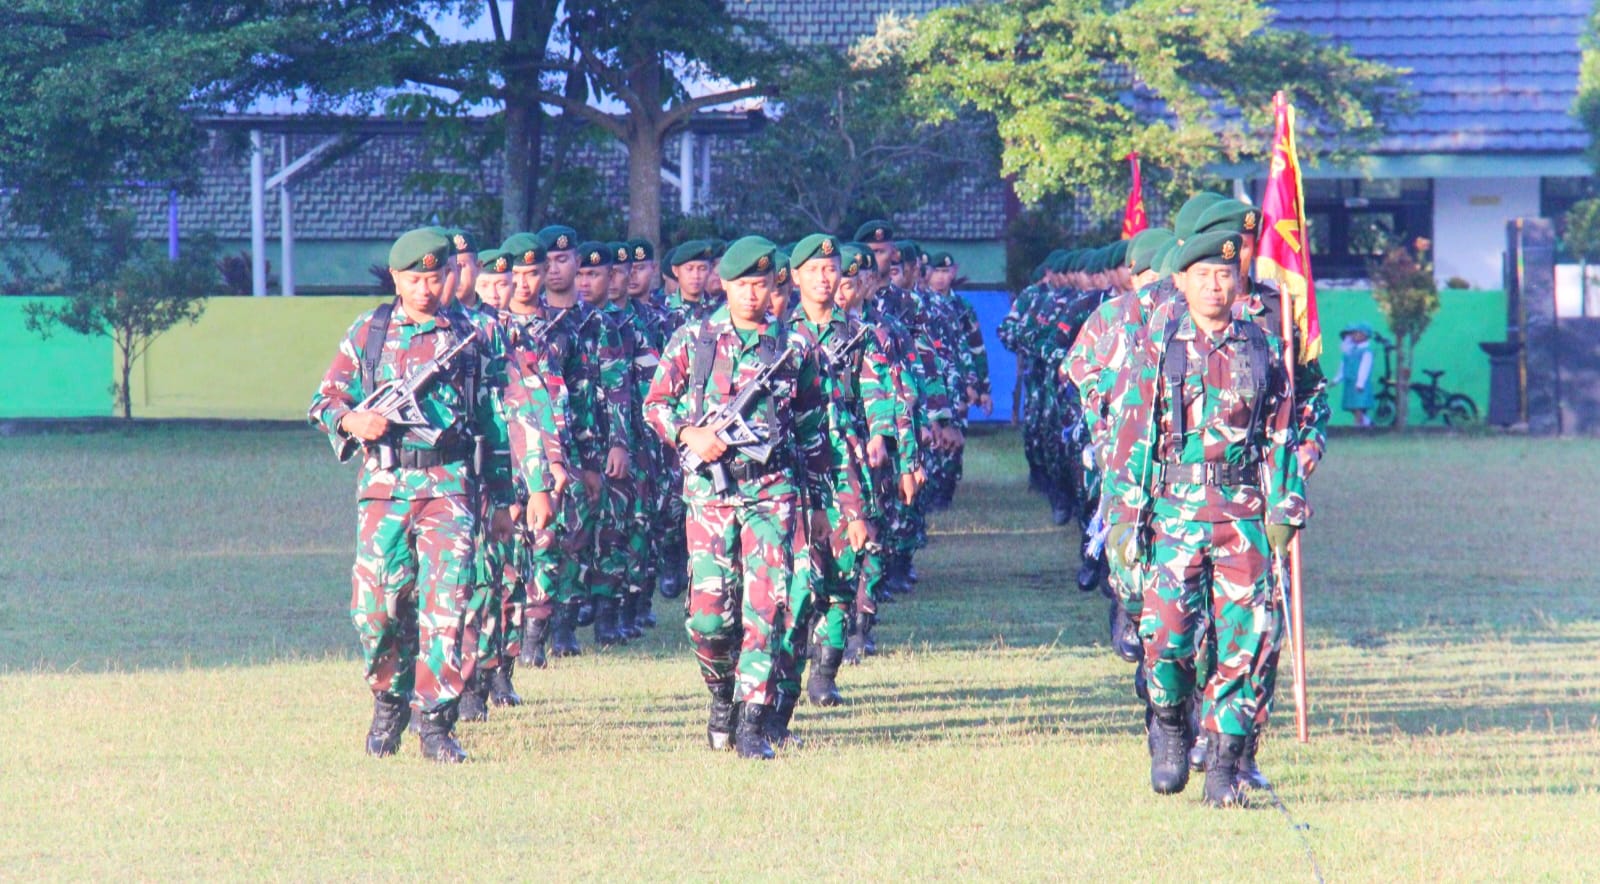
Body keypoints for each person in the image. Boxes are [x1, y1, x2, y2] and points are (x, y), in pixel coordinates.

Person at [308, 227, 555, 763]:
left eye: (435, 277)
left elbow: (503, 415)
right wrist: (353, 420)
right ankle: (388, 699)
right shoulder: (370, 332)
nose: (426, 288)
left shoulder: (476, 334)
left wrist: (513, 495)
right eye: (414, 279)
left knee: (448, 608)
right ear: (396, 279)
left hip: (450, 487)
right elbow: (324, 400)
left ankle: (436, 724)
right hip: (385, 489)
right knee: (376, 610)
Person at [643, 235, 868, 760]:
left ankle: (751, 722)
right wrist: (689, 433)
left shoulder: (795, 349)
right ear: (723, 285)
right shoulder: (693, 341)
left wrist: (822, 507)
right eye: (742, 284)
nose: (751, 294)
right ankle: (722, 693)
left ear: (773, 286)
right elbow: (654, 404)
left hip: (773, 492)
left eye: (760, 284)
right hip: (709, 494)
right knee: (709, 619)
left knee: (766, 609)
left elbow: (814, 432)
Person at [1104, 230, 1308, 806]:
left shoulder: (1261, 348)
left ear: (1237, 281)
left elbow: (1281, 433)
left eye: (1224, 275)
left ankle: (1223, 768)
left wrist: (1286, 508)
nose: (1215, 286)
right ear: (1181, 282)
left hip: (1243, 517)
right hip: (1175, 515)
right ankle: (1171, 724)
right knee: (1166, 638)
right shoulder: (1158, 348)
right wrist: (1125, 520)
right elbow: (1132, 440)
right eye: (1203, 276)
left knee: (1246, 645)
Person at [1334, 322, 1376, 427]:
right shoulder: (1351, 351)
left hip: (1359, 383)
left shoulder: (1366, 351)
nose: (1353, 336)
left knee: (1358, 406)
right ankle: (1367, 423)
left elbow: (1364, 368)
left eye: (1357, 333)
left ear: (1365, 335)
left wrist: (1360, 383)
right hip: (1350, 382)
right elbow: (1343, 367)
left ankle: (1359, 426)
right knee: (1352, 406)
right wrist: (1337, 379)